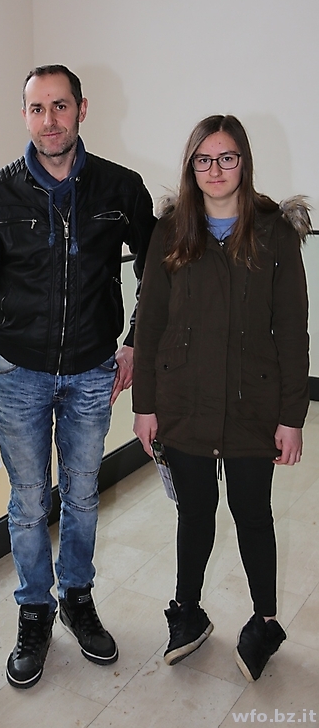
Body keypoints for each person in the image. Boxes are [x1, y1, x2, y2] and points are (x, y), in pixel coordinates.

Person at [0, 65, 155, 688]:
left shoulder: (122, 189)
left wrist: (135, 343)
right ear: (25, 115)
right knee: (27, 501)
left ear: (82, 109)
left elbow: (160, 272)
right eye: (37, 108)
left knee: (82, 494)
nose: (50, 120)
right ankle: (34, 610)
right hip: (16, 374)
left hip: (93, 372)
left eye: (61, 106)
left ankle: (76, 597)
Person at [132, 115, 310, 682]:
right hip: (183, 402)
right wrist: (144, 405)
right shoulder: (171, 231)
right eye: (203, 159)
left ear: (244, 162)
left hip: (254, 404)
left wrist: (292, 417)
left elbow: (293, 330)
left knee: (252, 514)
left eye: (226, 158)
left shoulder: (274, 232)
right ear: (191, 167)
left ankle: (265, 621)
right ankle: (187, 612)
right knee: (194, 513)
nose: (215, 170)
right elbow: (150, 321)